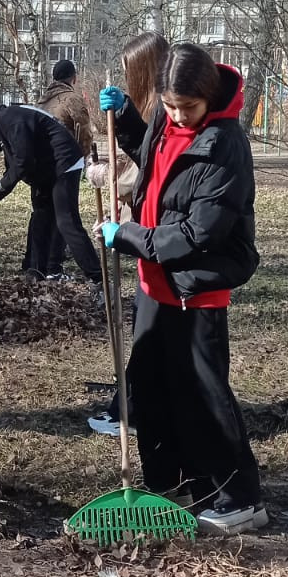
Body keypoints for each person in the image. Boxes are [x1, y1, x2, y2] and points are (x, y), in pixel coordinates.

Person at [94, 42, 266, 535]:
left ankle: (239, 498)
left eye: (187, 107)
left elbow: (197, 233)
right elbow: (154, 165)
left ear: (208, 95)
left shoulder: (225, 145)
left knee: (202, 397)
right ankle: (173, 483)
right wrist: (129, 120)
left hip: (196, 286)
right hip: (156, 282)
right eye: (169, 106)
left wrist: (128, 236)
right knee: (151, 390)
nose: (177, 116)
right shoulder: (166, 122)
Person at [86, 31, 169, 434]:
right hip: (143, 231)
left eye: (127, 70)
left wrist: (104, 178)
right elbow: (140, 157)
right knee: (149, 329)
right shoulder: (146, 111)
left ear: (142, 70)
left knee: (149, 331)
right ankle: (133, 405)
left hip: (157, 236)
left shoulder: (165, 111)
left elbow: (148, 174)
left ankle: (131, 410)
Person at [0, 97, 103, 298]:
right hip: (45, 171)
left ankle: (98, 279)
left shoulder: (11, 119)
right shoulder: (3, 127)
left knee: (66, 222)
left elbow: (23, 163)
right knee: (40, 218)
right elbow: (13, 169)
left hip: (64, 163)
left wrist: (0, 186)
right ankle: (38, 272)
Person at [28, 59, 94, 278]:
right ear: (73, 78)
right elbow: (84, 132)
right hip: (65, 164)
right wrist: (84, 158)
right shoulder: (72, 99)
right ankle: (55, 267)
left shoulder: (41, 100)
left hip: (41, 166)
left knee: (42, 215)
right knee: (64, 217)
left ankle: (36, 265)